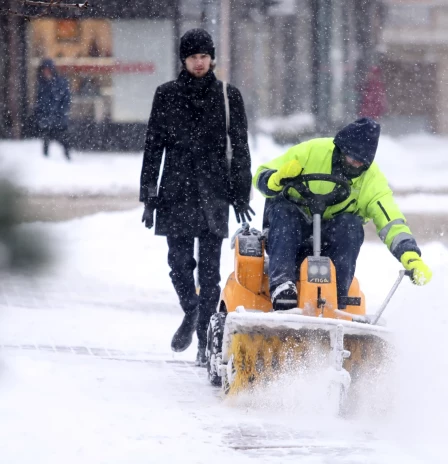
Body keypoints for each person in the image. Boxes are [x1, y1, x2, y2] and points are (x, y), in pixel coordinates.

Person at [139, 29, 254, 365]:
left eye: (204, 56)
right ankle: (191, 312)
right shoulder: (166, 95)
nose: (199, 62)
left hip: (213, 192)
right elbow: (153, 147)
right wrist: (149, 196)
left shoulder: (228, 96)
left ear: (212, 57)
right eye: (193, 57)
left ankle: (205, 340)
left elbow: (241, 148)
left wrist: (239, 193)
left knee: (209, 273)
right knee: (178, 264)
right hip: (175, 190)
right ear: (183, 60)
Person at [253, 117, 432, 311]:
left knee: (351, 224)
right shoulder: (311, 152)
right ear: (340, 149)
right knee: (284, 210)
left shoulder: (371, 180)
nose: (355, 164)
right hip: (290, 231)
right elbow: (261, 174)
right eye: (351, 157)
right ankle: (282, 286)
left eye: (360, 162)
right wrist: (275, 179)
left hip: (332, 239)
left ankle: (335, 298)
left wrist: (410, 254)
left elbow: (389, 218)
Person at [34, 59, 71, 160]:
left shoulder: (60, 82)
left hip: (58, 118)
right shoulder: (41, 84)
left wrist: (61, 112)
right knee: (46, 140)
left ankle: (67, 158)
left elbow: (66, 99)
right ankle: (46, 160)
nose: (46, 72)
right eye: (44, 70)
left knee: (63, 139)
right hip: (47, 118)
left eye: (48, 69)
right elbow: (40, 101)